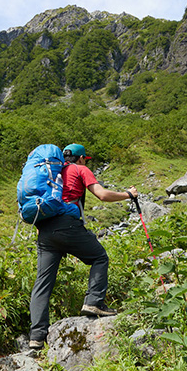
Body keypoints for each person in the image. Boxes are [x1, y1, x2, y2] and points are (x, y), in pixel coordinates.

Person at [28, 143, 138, 350]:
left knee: (43, 283)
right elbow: (103, 195)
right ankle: (94, 302)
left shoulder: (52, 174)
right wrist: (128, 194)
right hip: (68, 225)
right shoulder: (80, 169)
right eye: (85, 159)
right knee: (99, 257)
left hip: (44, 231)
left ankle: (36, 336)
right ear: (80, 158)